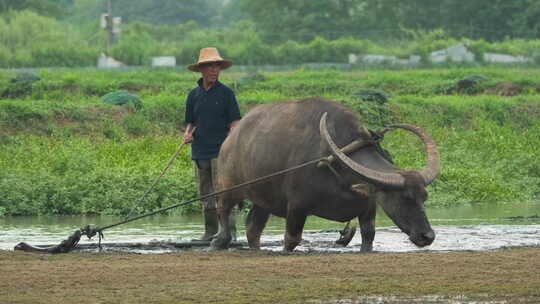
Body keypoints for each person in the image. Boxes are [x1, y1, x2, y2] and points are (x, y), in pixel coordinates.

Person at [183, 47, 241, 241]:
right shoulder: (193, 95)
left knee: (223, 193)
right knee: (205, 194)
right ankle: (210, 233)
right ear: (201, 69)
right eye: (209, 66)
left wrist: (234, 143)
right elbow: (190, 122)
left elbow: (235, 123)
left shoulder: (226, 94)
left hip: (221, 151)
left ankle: (229, 234)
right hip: (200, 151)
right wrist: (187, 134)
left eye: (217, 66)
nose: (214, 70)